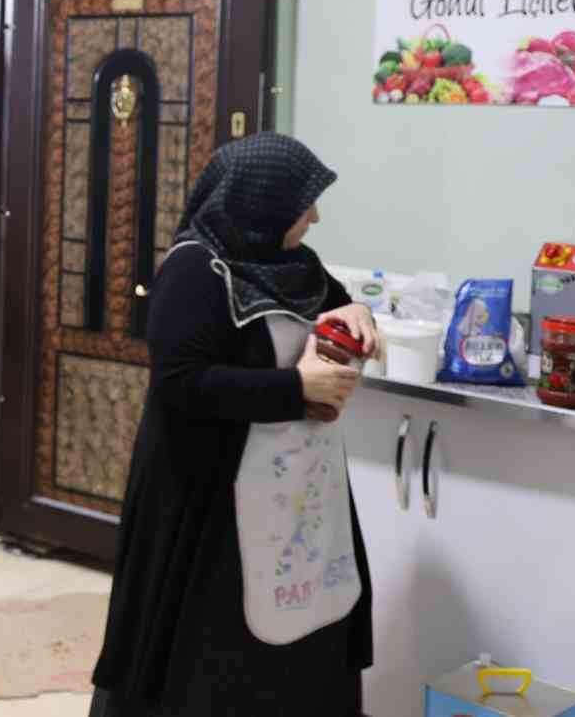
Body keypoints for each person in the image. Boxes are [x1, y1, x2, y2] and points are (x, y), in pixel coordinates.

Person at [89, 133, 376, 717]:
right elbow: (181, 384)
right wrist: (296, 389)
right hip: (210, 502)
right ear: (259, 202)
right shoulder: (193, 270)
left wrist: (358, 310)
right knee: (216, 657)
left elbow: (335, 302)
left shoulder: (290, 262)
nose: (314, 217)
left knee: (302, 646)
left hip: (295, 492)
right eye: (304, 204)